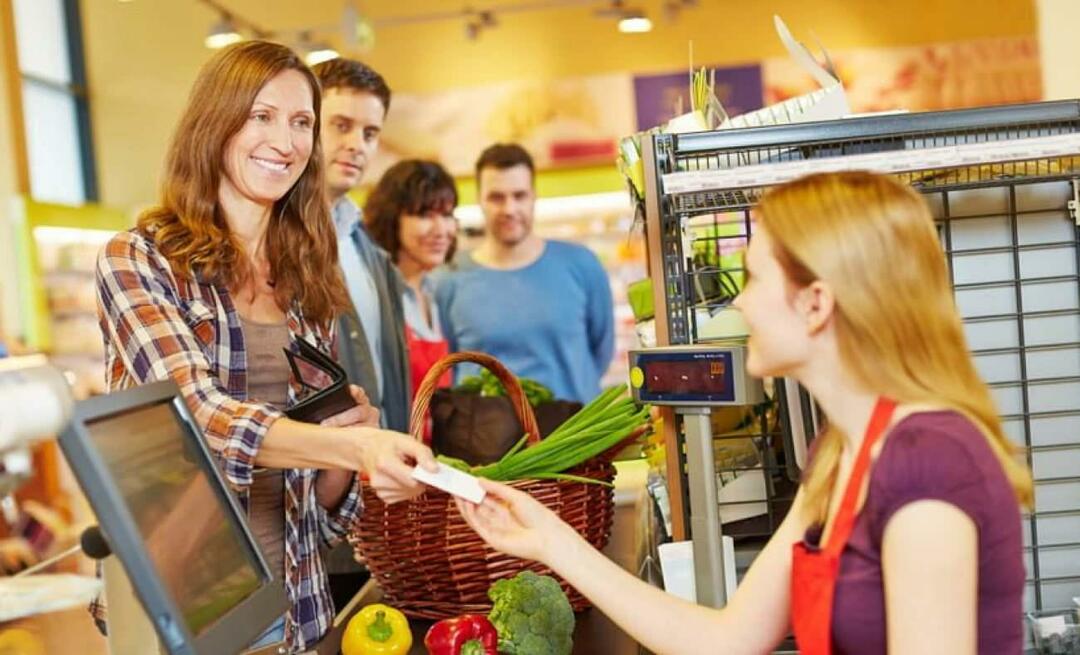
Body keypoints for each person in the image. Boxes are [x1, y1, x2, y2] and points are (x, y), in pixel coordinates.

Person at [457, 171, 1033, 654]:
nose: (740, 301)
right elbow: (727, 640)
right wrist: (550, 541)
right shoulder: (841, 454)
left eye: (756, 277)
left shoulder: (928, 464)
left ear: (815, 304)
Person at [94, 41, 436, 653]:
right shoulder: (140, 261)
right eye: (262, 116)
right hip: (186, 608)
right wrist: (350, 442)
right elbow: (197, 417)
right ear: (215, 122)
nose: (286, 140)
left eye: (301, 122)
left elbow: (322, 509)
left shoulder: (306, 278)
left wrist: (344, 458)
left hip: (299, 605)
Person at [435, 144, 614, 404]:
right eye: (496, 197)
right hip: (486, 439)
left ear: (533, 197)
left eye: (519, 195)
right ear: (480, 200)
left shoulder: (581, 265)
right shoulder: (449, 278)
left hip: (575, 434)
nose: (509, 209)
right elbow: (448, 361)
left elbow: (602, 349)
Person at [311, 57, 411, 434]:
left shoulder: (367, 249)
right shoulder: (273, 243)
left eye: (370, 133)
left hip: (380, 467)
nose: (357, 145)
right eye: (341, 126)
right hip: (313, 476)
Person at [363, 159, 459, 403]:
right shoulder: (374, 293)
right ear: (393, 218)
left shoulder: (435, 292)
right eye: (425, 214)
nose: (441, 229)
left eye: (447, 214)